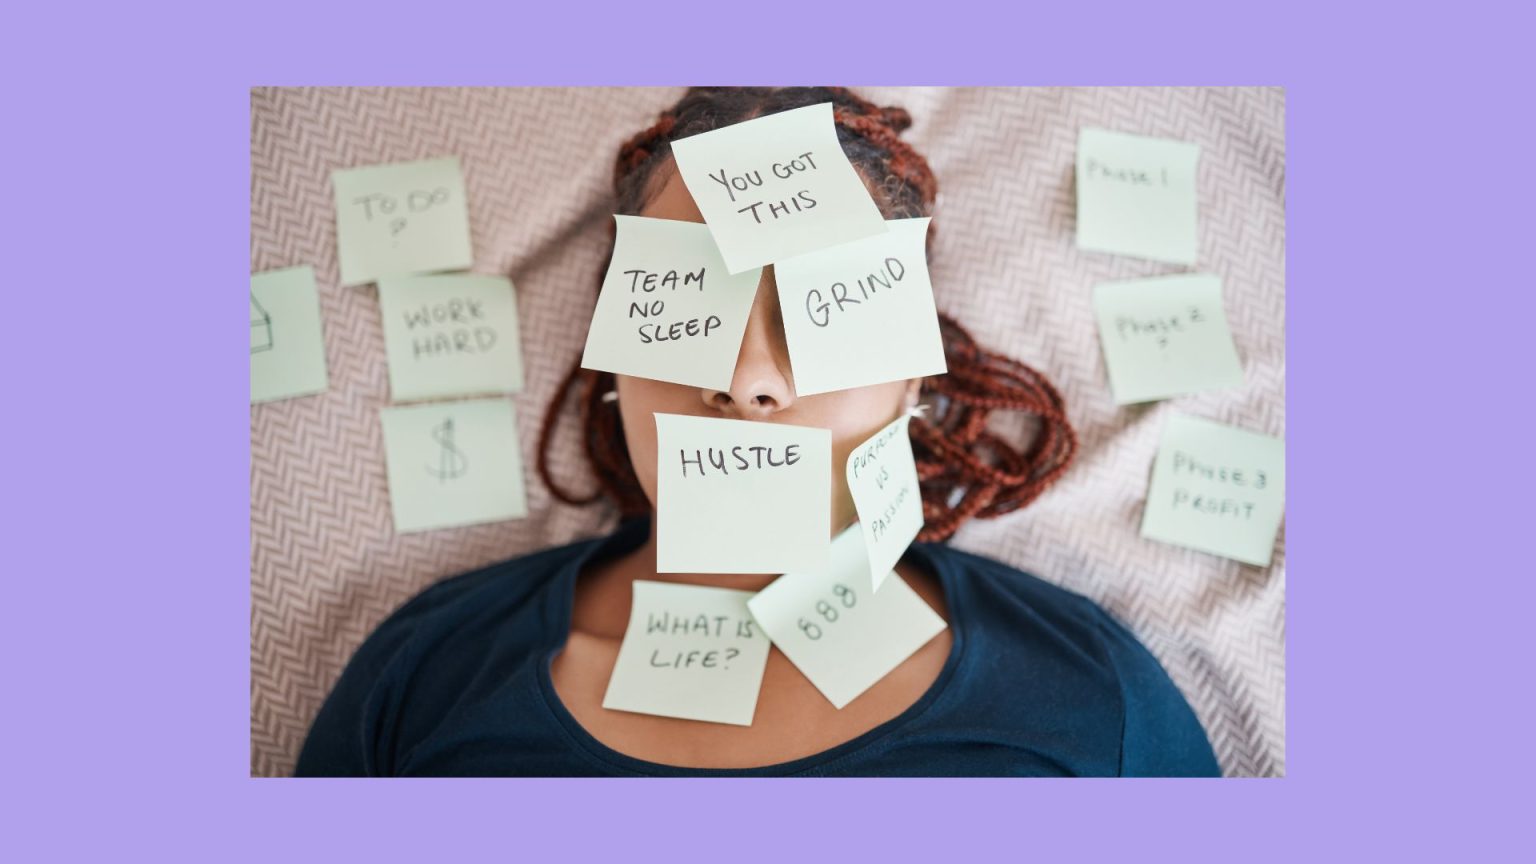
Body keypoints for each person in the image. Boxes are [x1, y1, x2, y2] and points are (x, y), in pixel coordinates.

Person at [295, 87, 1221, 777]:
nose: (750, 380)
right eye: (688, 297)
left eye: (828, 309)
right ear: (610, 356)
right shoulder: (428, 675)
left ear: (913, 375)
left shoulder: (1088, 691)